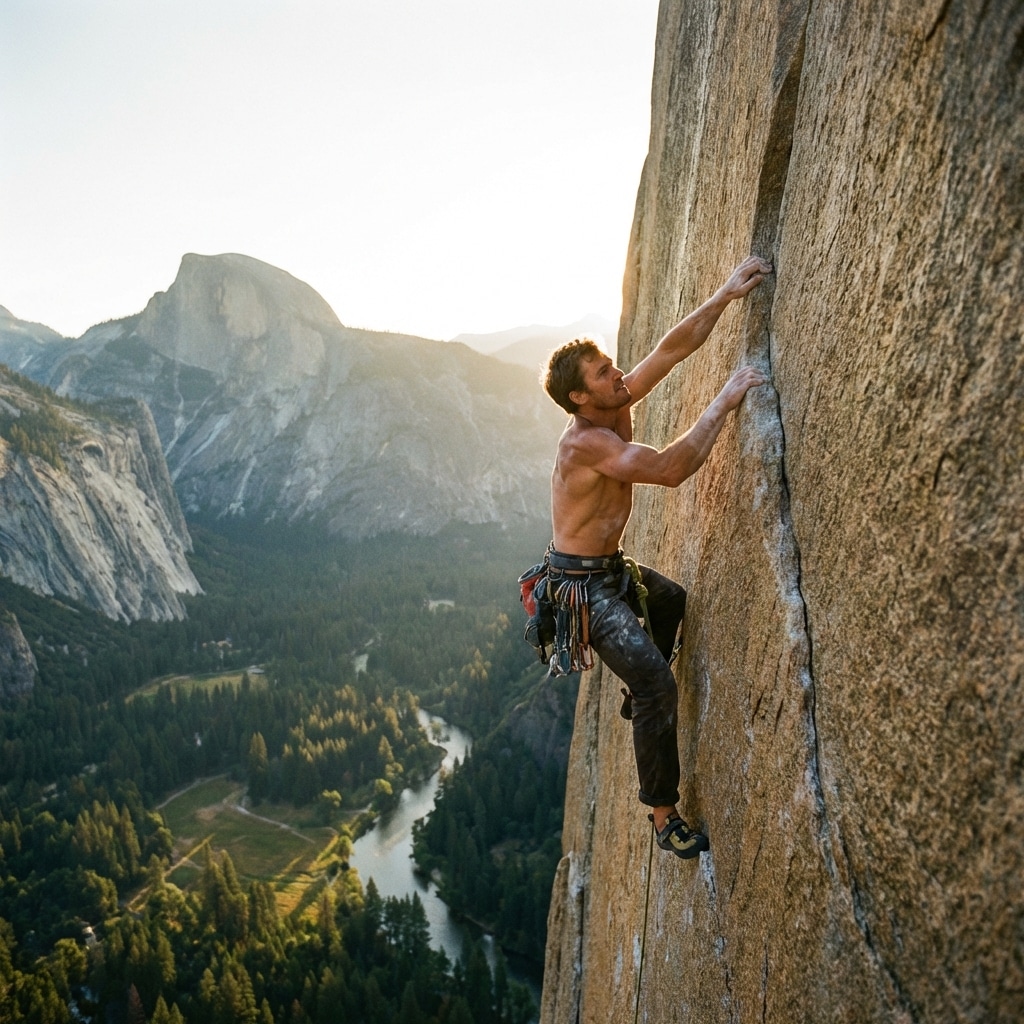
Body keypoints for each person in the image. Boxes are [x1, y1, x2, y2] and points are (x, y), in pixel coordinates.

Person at [541, 254, 771, 859]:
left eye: (610, 365)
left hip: (611, 571)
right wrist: (725, 401)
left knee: (669, 601)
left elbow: (669, 351)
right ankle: (664, 816)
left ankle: (638, 686)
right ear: (577, 396)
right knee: (658, 687)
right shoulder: (586, 445)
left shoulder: (611, 403)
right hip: (583, 590)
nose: (618, 374)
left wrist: (724, 295)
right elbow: (670, 469)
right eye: (602, 372)